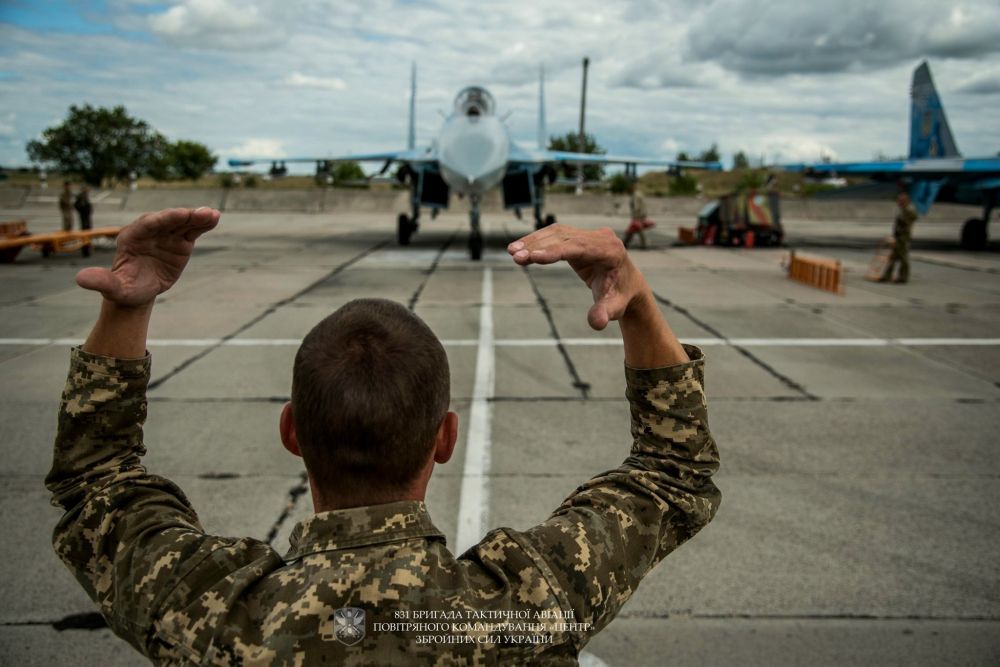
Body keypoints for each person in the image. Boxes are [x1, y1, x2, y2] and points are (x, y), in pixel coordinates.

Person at [47, 208, 721, 663]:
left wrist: (124, 306)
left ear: (291, 431)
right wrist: (635, 299)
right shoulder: (520, 607)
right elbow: (673, 472)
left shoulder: (205, 612)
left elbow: (95, 480)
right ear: (445, 437)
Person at [881, 191, 918, 284]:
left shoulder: (909, 210)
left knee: (903, 258)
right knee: (893, 257)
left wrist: (904, 228)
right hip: (899, 236)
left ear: (905, 201)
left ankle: (903, 277)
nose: (898, 202)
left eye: (900, 200)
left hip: (903, 237)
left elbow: (911, 220)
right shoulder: (904, 209)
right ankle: (886, 276)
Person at [623, 181, 655, 249]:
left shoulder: (635, 195)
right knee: (634, 230)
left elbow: (636, 207)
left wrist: (635, 217)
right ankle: (626, 243)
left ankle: (644, 244)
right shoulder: (639, 194)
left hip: (638, 216)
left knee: (636, 230)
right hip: (641, 214)